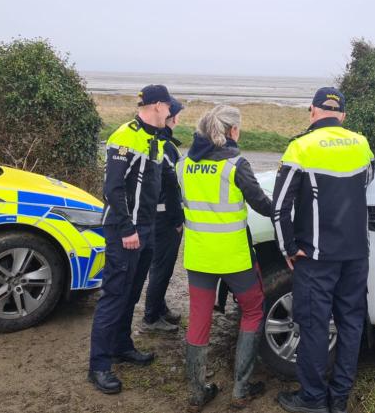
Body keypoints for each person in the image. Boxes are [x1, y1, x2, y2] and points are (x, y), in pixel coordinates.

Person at [272, 88, 375, 413]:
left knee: (315, 326)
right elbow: (367, 179)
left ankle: (313, 399)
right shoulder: (361, 143)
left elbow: (279, 208)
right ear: (342, 115)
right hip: (356, 253)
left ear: (313, 112)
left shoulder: (300, 147)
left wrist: (288, 247)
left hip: (316, 257)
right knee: (351, 324)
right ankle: (339, 399)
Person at [176, 105, 273, 411]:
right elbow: (262, 204)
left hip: (199, 256)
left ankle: (196, 392)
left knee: (200, 319)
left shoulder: (183, 165)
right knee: (254, 311)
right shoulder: (236, 165)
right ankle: (241, 390)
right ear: (232, 131)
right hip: (234, 257)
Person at [88, 84, 175, 394]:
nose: (170, 113)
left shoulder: (155, 140)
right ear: (155, 106)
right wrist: (127, 230)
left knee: (131, 293)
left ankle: (121, 346)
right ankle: (98, 366)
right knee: (114, 295)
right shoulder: (125, 136)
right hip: (125, 230)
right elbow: (113, 189)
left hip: (147, 229)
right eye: (168, 107)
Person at [142, 97, 186, 332]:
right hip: (165, 218)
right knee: (162, 267)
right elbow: (171, 187)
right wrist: (177, 220)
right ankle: (151, 318)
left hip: (158, 216)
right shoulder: (165, 146)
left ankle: (159, 308)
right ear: (172, 118)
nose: (179, 119)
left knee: (159, 265)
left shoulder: (163, 143)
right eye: (177, 114)